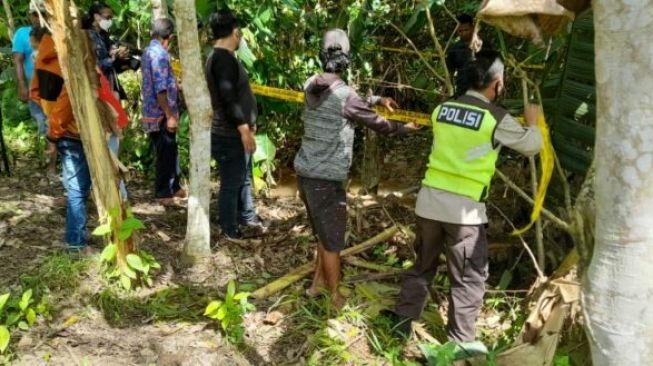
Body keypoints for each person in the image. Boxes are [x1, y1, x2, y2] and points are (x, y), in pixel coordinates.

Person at [392, 51, 542, 351]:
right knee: (468, 278)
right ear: (497, 84)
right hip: (465, 213)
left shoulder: (442, 109)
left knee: (422, 266)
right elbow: (531, 146)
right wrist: (533, 121)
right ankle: (459, 345)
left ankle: (400, 326)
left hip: (428, 204)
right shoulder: (496, 118)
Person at [294, 29, 420, 309]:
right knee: (334, 241)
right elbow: (378, 124)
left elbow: (354, 103)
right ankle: (335, 297)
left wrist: (376, 100)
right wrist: (404, 129)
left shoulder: (309, 84)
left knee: (322, 235)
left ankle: (316, 286)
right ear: (346, 61)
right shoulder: (345, 95)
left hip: (305, 174)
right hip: (326, 179)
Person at [205, 10, 267, 239]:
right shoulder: (222, 59)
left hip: (236, 131)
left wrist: (248, 125)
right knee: (231, 183)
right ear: (235, 32)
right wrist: (243, 129)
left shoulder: (223, 57)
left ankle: (246, 217)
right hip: (229, 133)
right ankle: (230, 229)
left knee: (242, 178)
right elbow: (228, 99)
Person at [31, 31, 91, 253]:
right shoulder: (68, 61)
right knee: (77, 189)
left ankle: (76, 239)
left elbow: (35, 92)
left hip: (62, 129)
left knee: (77, 187)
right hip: (73, 131)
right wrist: (54, 133)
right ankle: (75, 244)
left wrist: (51, 121)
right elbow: (67, 103)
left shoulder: (42, 57)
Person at [83, 2, 130, 200]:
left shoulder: (103, 36)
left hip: (109, 88)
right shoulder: (87, 37)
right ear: (95, 16)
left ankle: (113, 189)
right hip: (100, 93)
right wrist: (112, 58)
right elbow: (94, 67)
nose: (109, 21)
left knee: (113, 138)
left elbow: (110, 68)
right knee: (107, 139)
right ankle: (111, 191)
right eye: (106, 16)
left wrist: (120, 58)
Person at [140, 18, 185, 204]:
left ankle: (174, 188)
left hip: (155, 111)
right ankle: (162, 192)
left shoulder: (148, 51)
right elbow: (160, 89)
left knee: (171, 150)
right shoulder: (159, 55)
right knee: (165, 152)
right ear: (170, 37)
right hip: (160, 114)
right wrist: (169, 115)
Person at [12, 1, 56, 176]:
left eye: (43, 14)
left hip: (55, 89)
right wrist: (22, 85)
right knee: (43, 126)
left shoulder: (54, 32)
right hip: (35, 89)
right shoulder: (23, 34)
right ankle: (48, 163)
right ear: (31, 15)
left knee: (54, 125)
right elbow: (18, 60)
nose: (39, 18)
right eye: (36, 14)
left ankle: (53, 166)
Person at [446, 14, 492, 98]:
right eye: (460, 31)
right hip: (462, 91)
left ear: (472, 28)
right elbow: (449, 73)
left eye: (466, 30)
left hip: (482, 91)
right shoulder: (454, 49)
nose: (463, 33)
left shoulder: (484, 44)